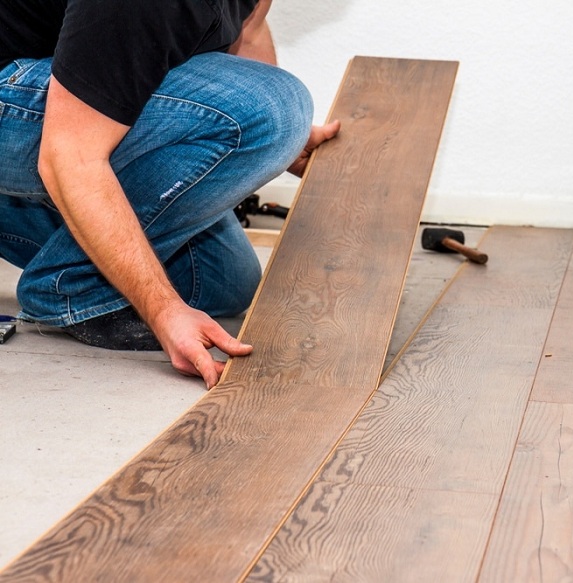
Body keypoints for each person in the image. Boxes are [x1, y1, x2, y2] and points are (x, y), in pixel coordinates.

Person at [0, 0, 339, 388]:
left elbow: (250, 30)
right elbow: (70, 156)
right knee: (278, 105)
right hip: (20, 101)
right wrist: (163, 312)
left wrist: (281, 145)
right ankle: (73, 288)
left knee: (220, 280)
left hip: (50, 80)